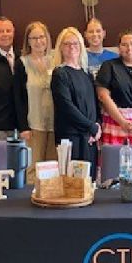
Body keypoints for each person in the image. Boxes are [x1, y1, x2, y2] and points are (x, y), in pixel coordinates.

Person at [51, 27, 101, 177]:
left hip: (89, 137)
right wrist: (90, 126)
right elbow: (66, 106)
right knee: (72, 183)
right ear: (60, 48)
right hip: (71, 136)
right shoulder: (60, 73)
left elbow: (94, 104)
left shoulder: (86, 73)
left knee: (89, 182)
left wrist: (97, 125)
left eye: (75, 43)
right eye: (67, 44)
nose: (71, 47)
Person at [18, 21, 57, 182]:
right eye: (33, 38)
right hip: (34, 124)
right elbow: (18, 97)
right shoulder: (22, 63)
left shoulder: (56, 60)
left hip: (55, 123)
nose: (38, 41)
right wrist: (23, 127)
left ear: (47, 38)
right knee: (33, 167)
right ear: (28, 41)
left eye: (41, 37)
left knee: (53, 167)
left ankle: (51, 198)